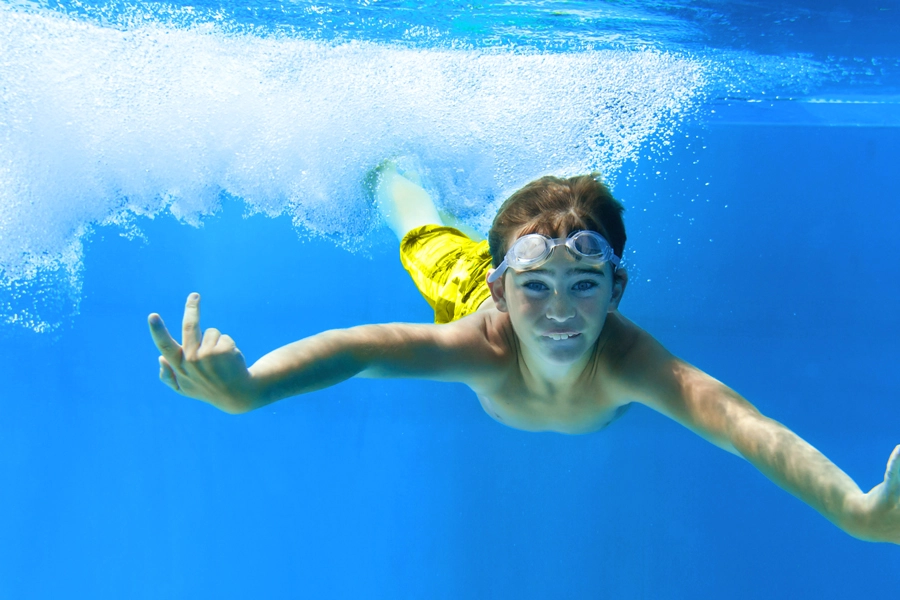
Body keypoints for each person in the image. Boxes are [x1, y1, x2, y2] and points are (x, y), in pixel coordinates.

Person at [148, 160, 900, 544]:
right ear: (502, 295)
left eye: (585, 283)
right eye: (537, 287)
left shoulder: (635, 362)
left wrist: (858, 512)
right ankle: (392, 169)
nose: (564, 312)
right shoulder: (480, 341)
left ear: (617, 290)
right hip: (464, 277)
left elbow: (743, 427)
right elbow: (361, 349)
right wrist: (254, 387)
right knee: (421, 231)